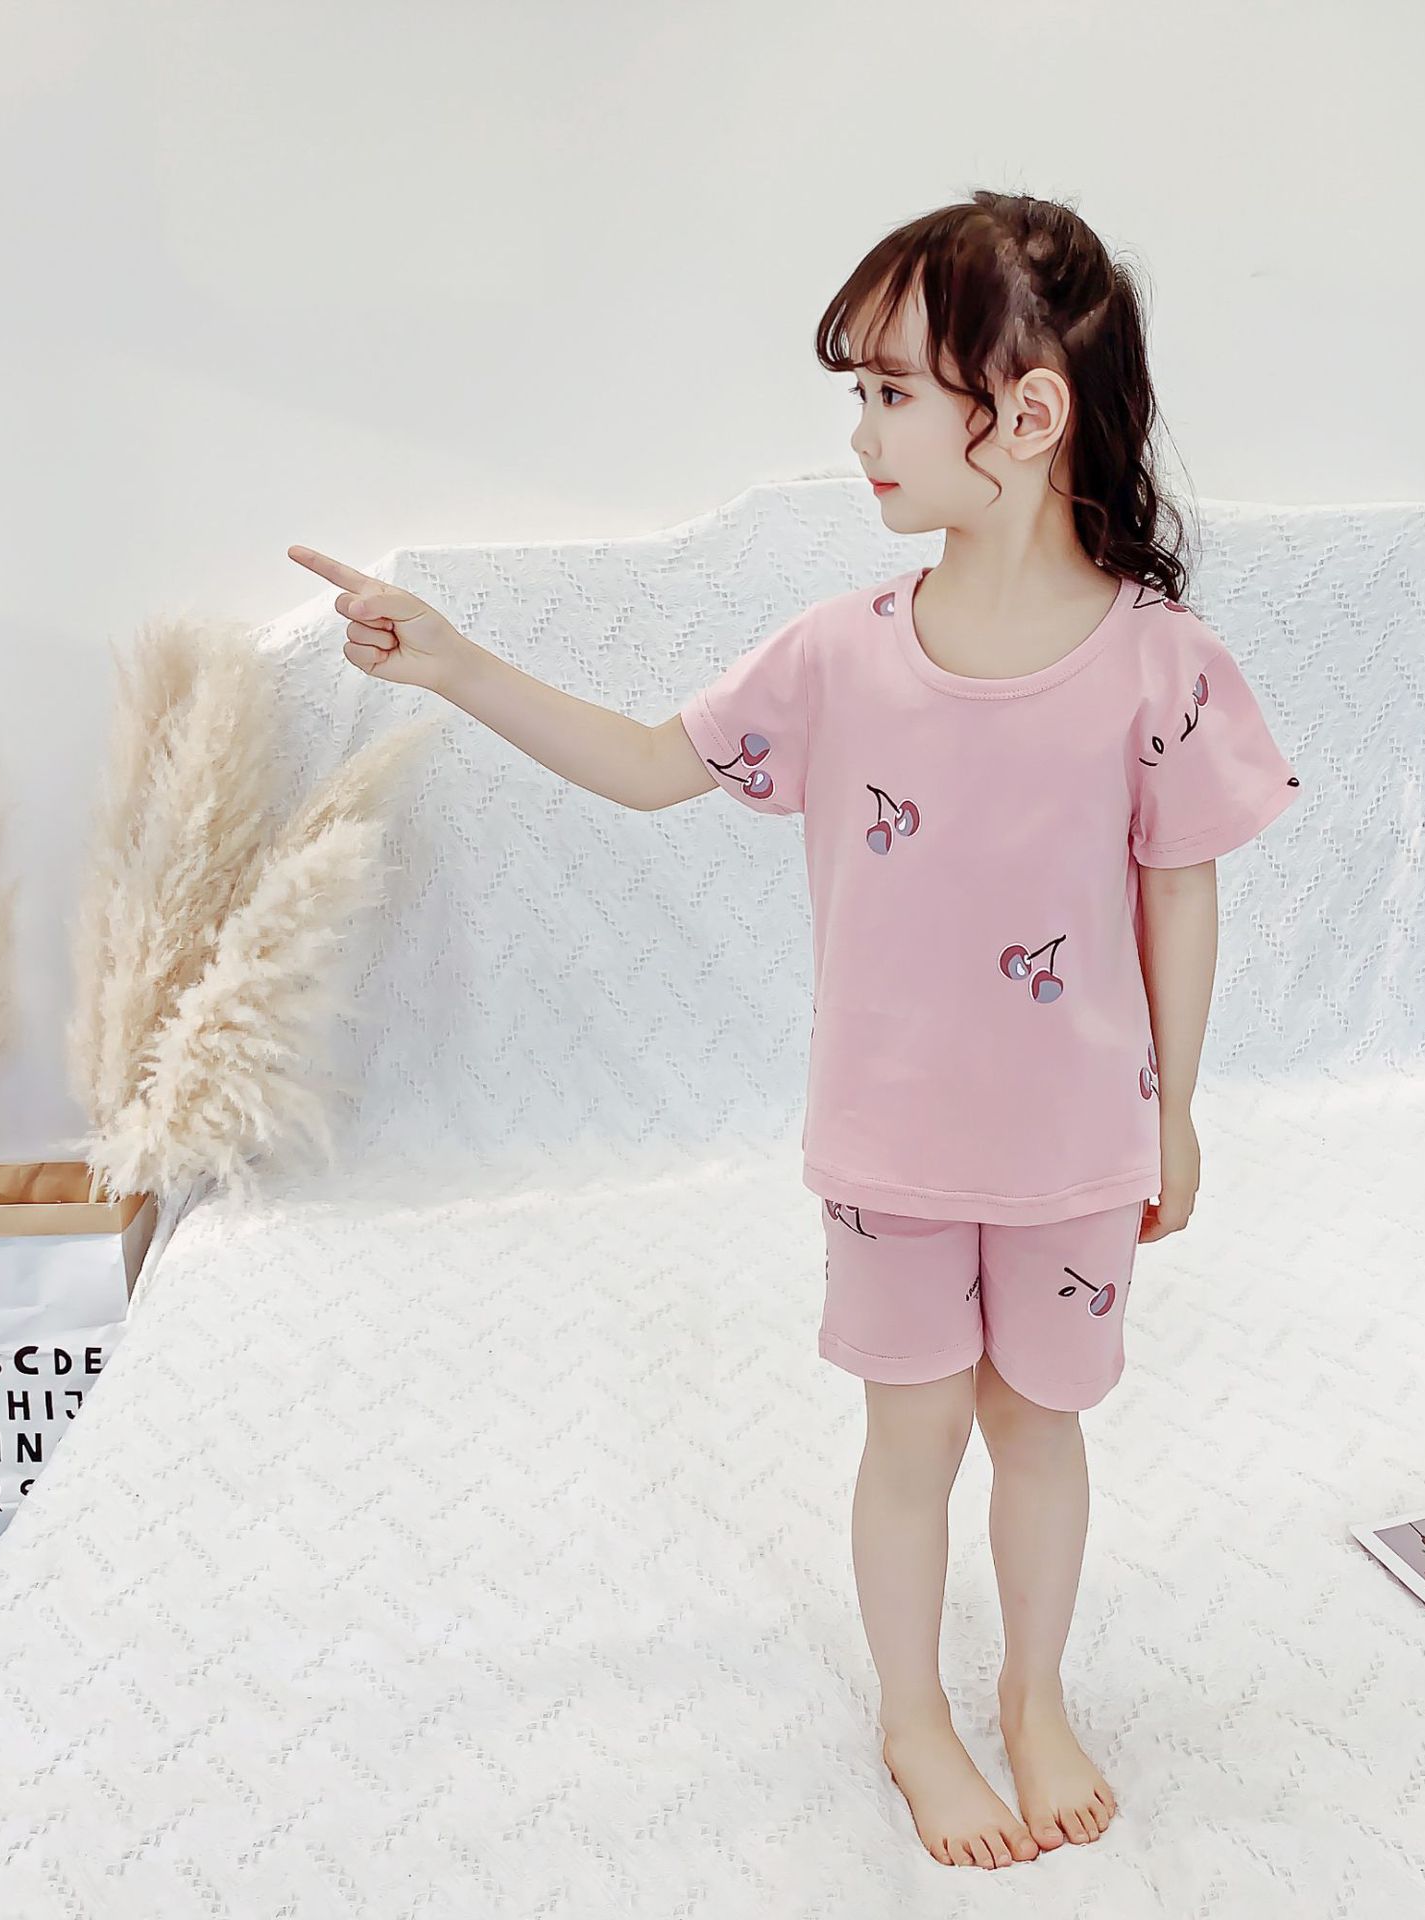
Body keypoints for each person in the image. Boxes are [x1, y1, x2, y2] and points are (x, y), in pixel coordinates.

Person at [287, 189, 1301, 1872]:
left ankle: (1034, 1694)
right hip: (890, 1150)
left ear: (1027, 415)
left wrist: (1176, 1112)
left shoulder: (1160, 667)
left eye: (893, 392)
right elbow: (646, 764)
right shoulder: (838, 657)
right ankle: (914, 1716)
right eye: (861, 393)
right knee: (912, 1437)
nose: (860, 433)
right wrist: (457, 665)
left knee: (1039, 1429)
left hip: (1075, 1149)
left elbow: (1180, 890)